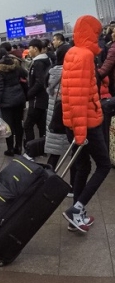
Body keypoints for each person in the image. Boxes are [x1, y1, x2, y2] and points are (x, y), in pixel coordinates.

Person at [62, 15, 110, 233]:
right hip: (87, 122)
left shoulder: (73, 52)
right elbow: (80, 97)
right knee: (104, 165)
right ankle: (77, 208)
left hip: (73, 122)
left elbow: (71, 95)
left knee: (83, 166)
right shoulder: (85, 55)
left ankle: (76, 215)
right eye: (97, 33)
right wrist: (81, 135)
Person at [0, 49, 28, 156]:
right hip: (19, 98)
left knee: (8, 125)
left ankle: (10, 149)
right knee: (18, 123)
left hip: (6, 101)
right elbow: (25, 73)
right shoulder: (15, 65)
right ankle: (19, 147)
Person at [24, 39, 51, 147]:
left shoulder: (39, 63)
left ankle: (31, 149)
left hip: (36, 99)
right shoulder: (42, 61)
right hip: (41, 99)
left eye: (30, 48)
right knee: (41, 125)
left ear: (35, 49)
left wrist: (29, 93)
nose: (28, 50)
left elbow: (40, 82)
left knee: (28, 125)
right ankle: (41, 148)